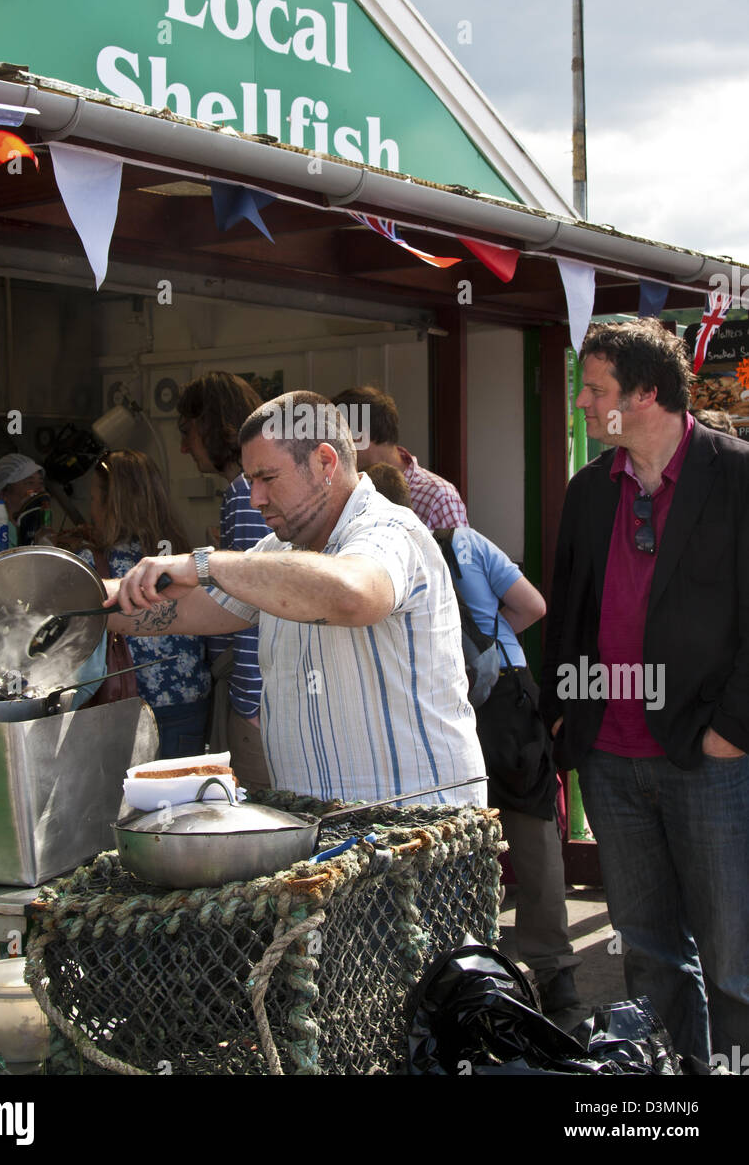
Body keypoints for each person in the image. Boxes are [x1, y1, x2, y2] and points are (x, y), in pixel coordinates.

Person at [103, 392, 487, 808]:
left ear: (325, 462)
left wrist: (205, 564)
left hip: (422, 840)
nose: (256, 499)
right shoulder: (275, 553)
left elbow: (352, 594)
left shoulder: (391, 530)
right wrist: (55, 598)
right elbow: (178, 607)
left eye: (268, 478)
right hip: (328, 839)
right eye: (251, 482)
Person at [539, 317, 749, 1064]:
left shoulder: (737, 474)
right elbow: (567, 615)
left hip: (712, 759)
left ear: (647, 392)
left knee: (734, 963)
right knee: (648, 959)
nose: (582, 407)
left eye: (594, 391)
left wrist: (733, 732)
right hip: (612, 764)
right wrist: (563, 716)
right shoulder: (590, 490)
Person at [368, 460, 580, 1013]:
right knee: (534, 836)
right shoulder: (464, 542)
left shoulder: (373, 561)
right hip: (508, 705)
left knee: (455, 843)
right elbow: (534, 605)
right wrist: (492, 638)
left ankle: (462, 973)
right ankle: (555, 973)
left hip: (439, 714)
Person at [74, 450, 211, 758]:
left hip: (127, 707)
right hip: (189, 702)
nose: (91, 510)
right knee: (181, 801)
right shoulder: (185, 560)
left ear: (111, 506)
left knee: (127, 803)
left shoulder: (92, 564)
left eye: (95, 499)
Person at [177, 372, 272, 789]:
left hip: (253, 701)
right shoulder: (245, 490)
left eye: (188, 432)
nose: (184, 447)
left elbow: (256, 601)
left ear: (211, 426)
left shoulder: (243, 493)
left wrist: (247, 704)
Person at [333, 384, 468, 529]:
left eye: (338, 439)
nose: (334, 449)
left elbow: (455, 551)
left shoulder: (439, 497)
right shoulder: (344, 490)